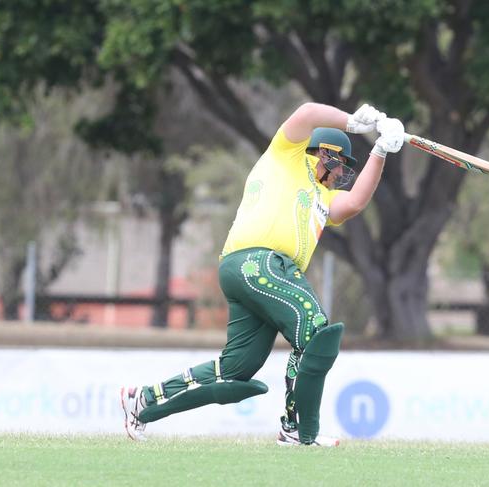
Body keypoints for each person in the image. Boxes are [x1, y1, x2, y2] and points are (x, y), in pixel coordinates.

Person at [120, 102, 404, 446]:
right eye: (340, 163)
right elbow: (306, 113)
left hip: (256, 276)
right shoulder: (287, 155)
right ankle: (298, 428)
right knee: (313, 327)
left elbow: (356, 202)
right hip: (258, 264)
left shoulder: (323, 198)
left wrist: (381, 150)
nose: (342, 173)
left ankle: (143, 401)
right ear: (323, 153)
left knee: (236, 370)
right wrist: (354, 123)